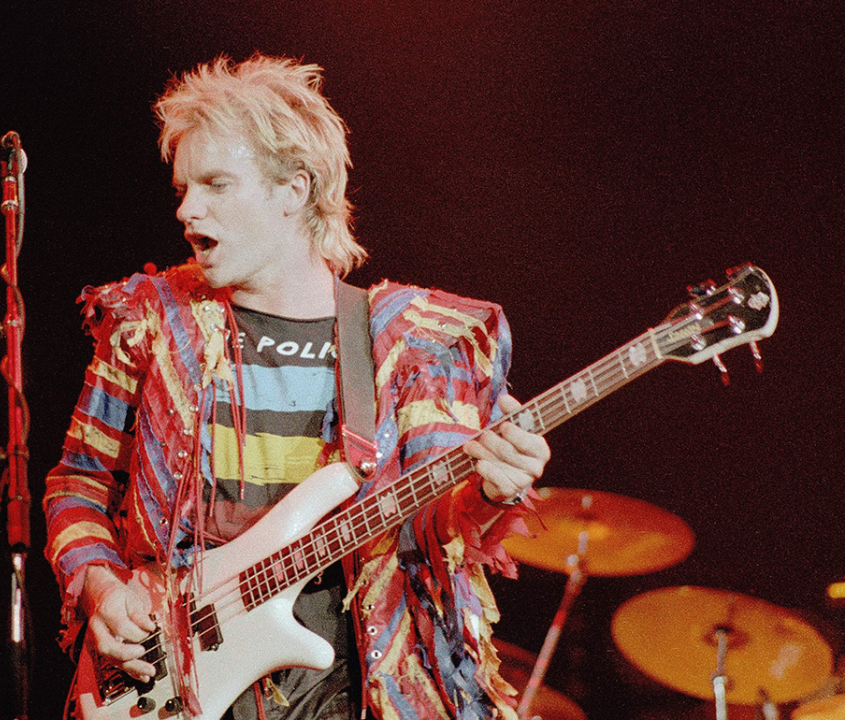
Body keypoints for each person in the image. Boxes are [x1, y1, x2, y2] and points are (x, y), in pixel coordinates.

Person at [44, 54, 550, 720]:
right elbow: (77, 481)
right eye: (183, 189)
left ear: (294, 190)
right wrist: (105, 593)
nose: (189, 209)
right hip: (165, 685)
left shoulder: (407, 344)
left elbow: (433, 529)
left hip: (347, 693)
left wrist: (490, 488)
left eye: (217, 184)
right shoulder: (152, 322)